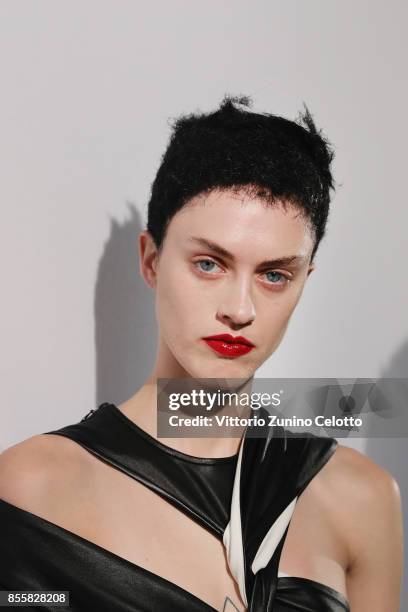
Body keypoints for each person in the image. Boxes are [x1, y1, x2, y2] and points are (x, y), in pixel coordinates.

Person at [0, 96, 403, 611]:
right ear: (151, 259)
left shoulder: (359, 498)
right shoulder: (34, 489)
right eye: (209, 264)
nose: (240, 309)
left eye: (274, 275)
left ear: (305, 280)